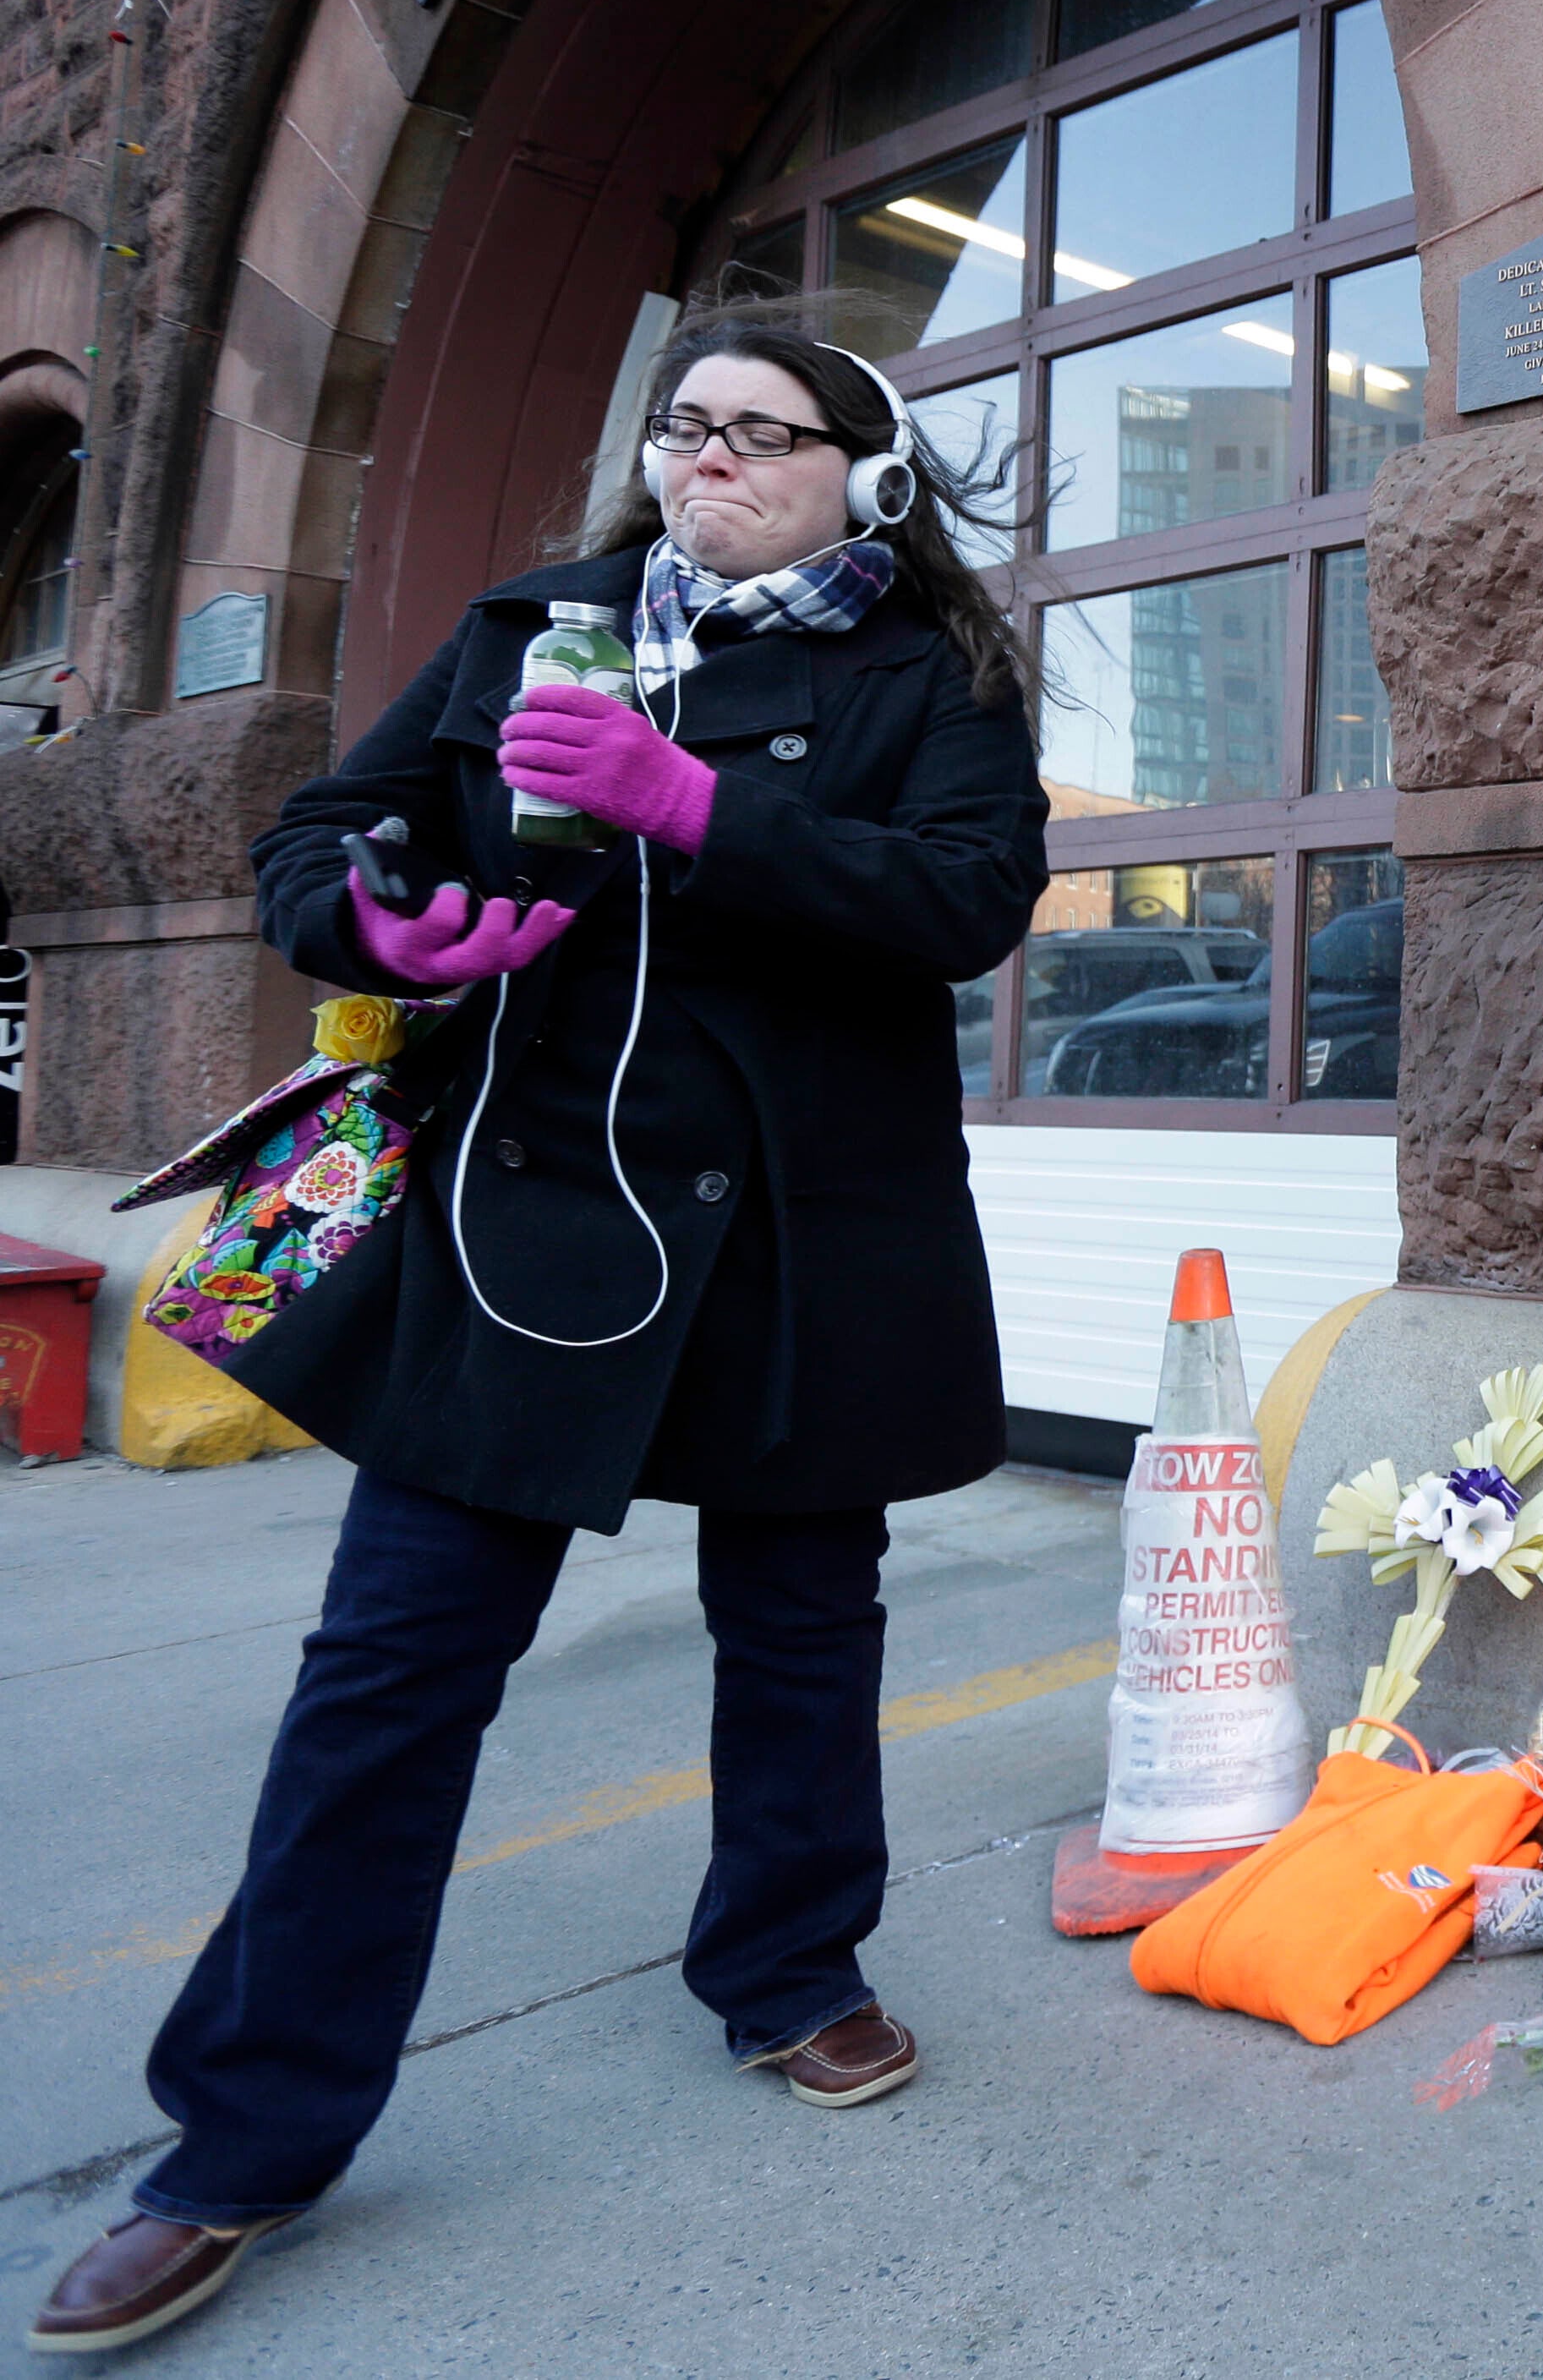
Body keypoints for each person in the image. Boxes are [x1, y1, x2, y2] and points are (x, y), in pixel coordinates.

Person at [29, 309, 1047, 2355]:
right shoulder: (535, 625)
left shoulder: (926, 676)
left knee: (798, 1627)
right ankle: (242, 2140)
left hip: (800, 1240)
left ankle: (788, 1970)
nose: (710, 460)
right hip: (529, 1222)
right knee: (389, 1674)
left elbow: (968, 900)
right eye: (687, 426)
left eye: (767, 435)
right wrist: (375, 920)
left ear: (870, 474)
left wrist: (692, 804)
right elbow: (319, 834)